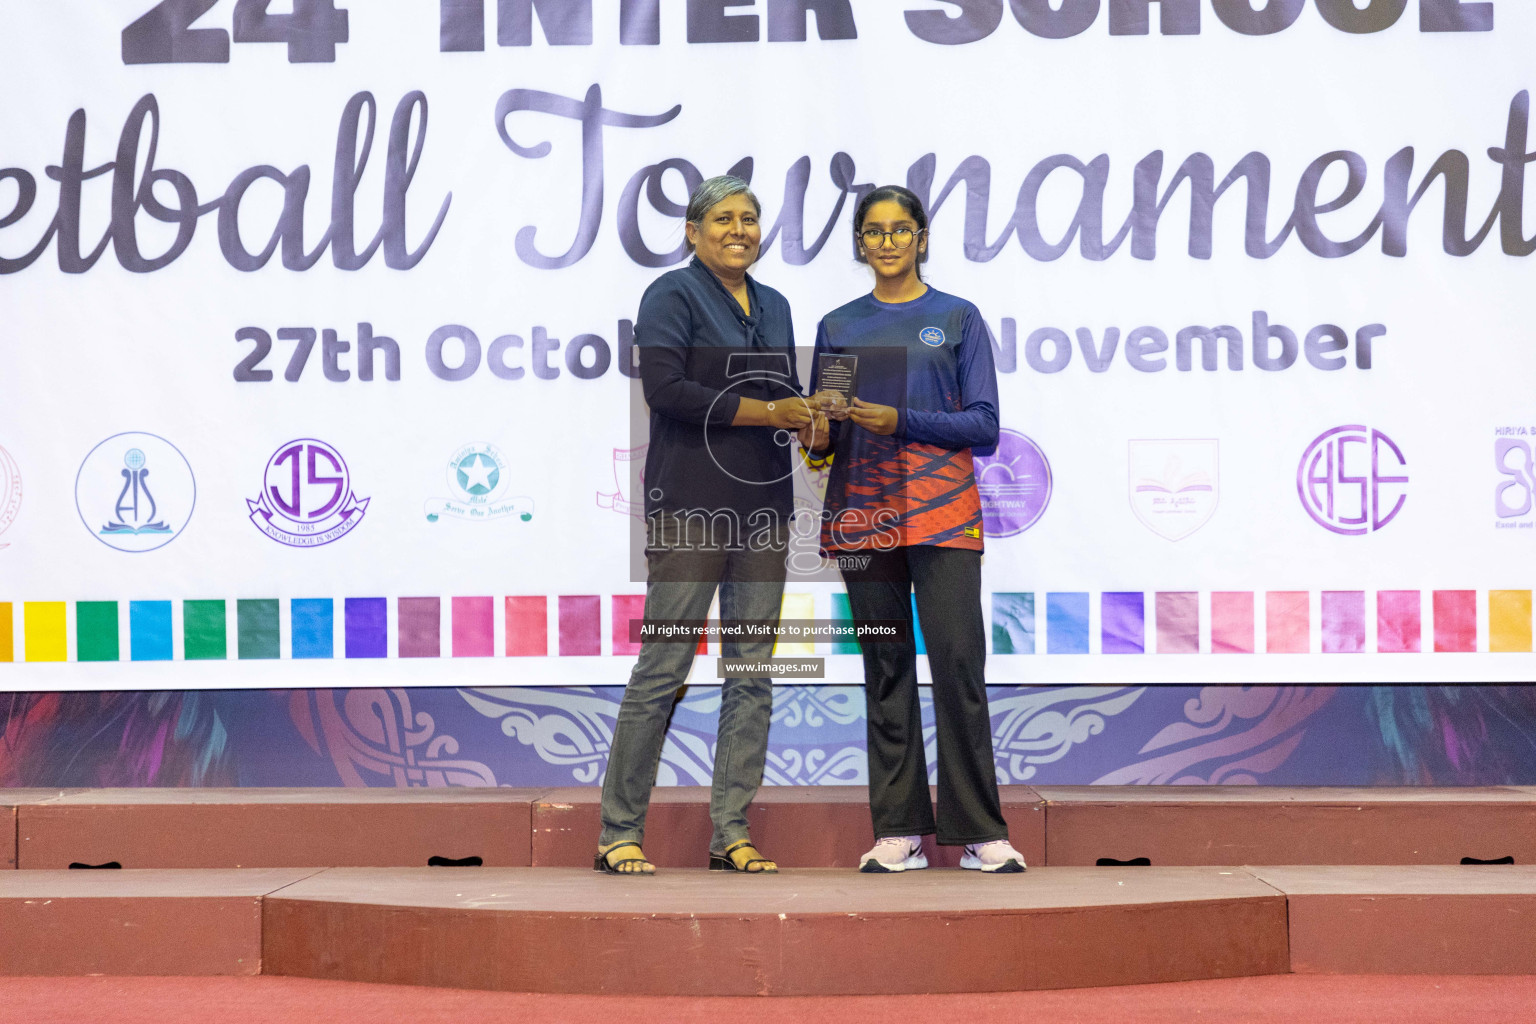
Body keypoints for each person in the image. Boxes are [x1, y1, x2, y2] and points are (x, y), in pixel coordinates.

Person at [596, 175, 814, 875]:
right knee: (663, 669)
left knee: (752, 676)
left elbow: (782, 398)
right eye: (723, 218)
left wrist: (812, 422)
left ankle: (732, 833)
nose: (739, 229)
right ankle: (619, 833)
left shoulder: (775, 305)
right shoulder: (671, 295)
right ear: (693, 232)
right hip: (690, 507)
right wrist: (771, 413)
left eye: (749, 218)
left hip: (765, 512)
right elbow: (667, 392)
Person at [805, 185, 1025, 874]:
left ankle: (980, 833)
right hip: (863, 521)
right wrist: (812, 430)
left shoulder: (956, 318)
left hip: (943, 519)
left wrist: (896, 420)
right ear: (861, 245)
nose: (889, 242)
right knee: (885, 669)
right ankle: (898, 830)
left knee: (959, 665)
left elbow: (983, 425)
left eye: (902, 230)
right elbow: (829, 433)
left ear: (922, 239)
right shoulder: (840, 324)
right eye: (875, 232)